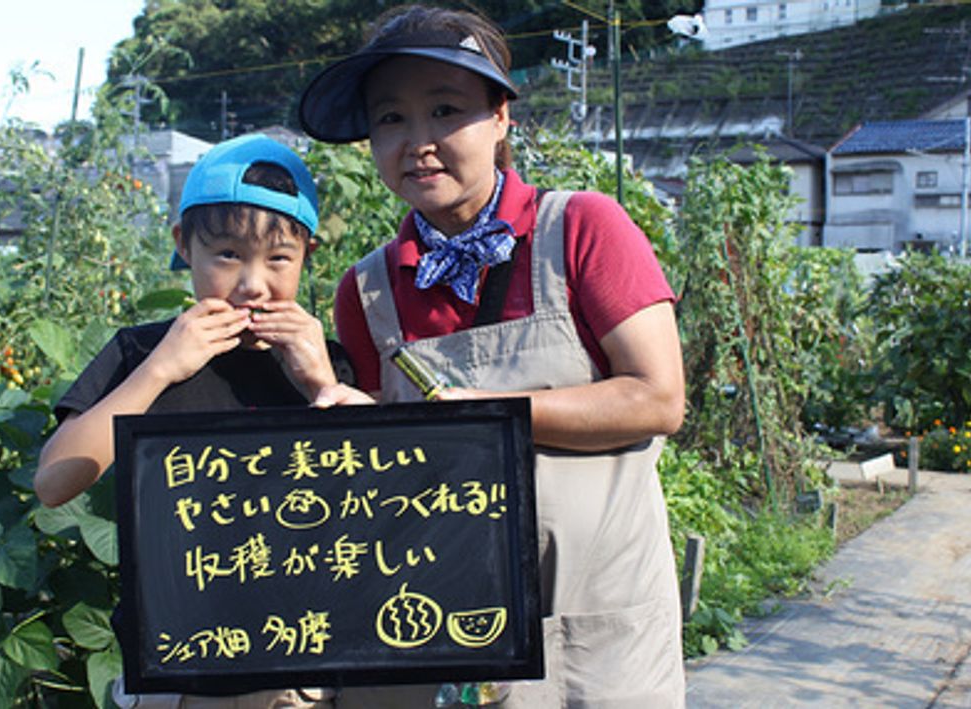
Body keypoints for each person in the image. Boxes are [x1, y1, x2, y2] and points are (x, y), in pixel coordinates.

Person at [298, 5, 686, 707]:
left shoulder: (581, 228)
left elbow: (658, 397)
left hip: (591, 622)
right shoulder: (369, 287)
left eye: (446, 110)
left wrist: (487, 415)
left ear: (501, 115)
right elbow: (392, 455)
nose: (418, 142)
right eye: (390, 119)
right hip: (430, 622)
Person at [35, 133, 356, 709]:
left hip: (301, 667)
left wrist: (322, 383)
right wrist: (160, 370)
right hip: (176, 667)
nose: (253, 283)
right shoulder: (141, 353)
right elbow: (55, 482)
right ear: (184, 245)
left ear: (308, 252)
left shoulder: (327, 361)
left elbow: (392, 498)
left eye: (279, 258)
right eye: (227, 254)